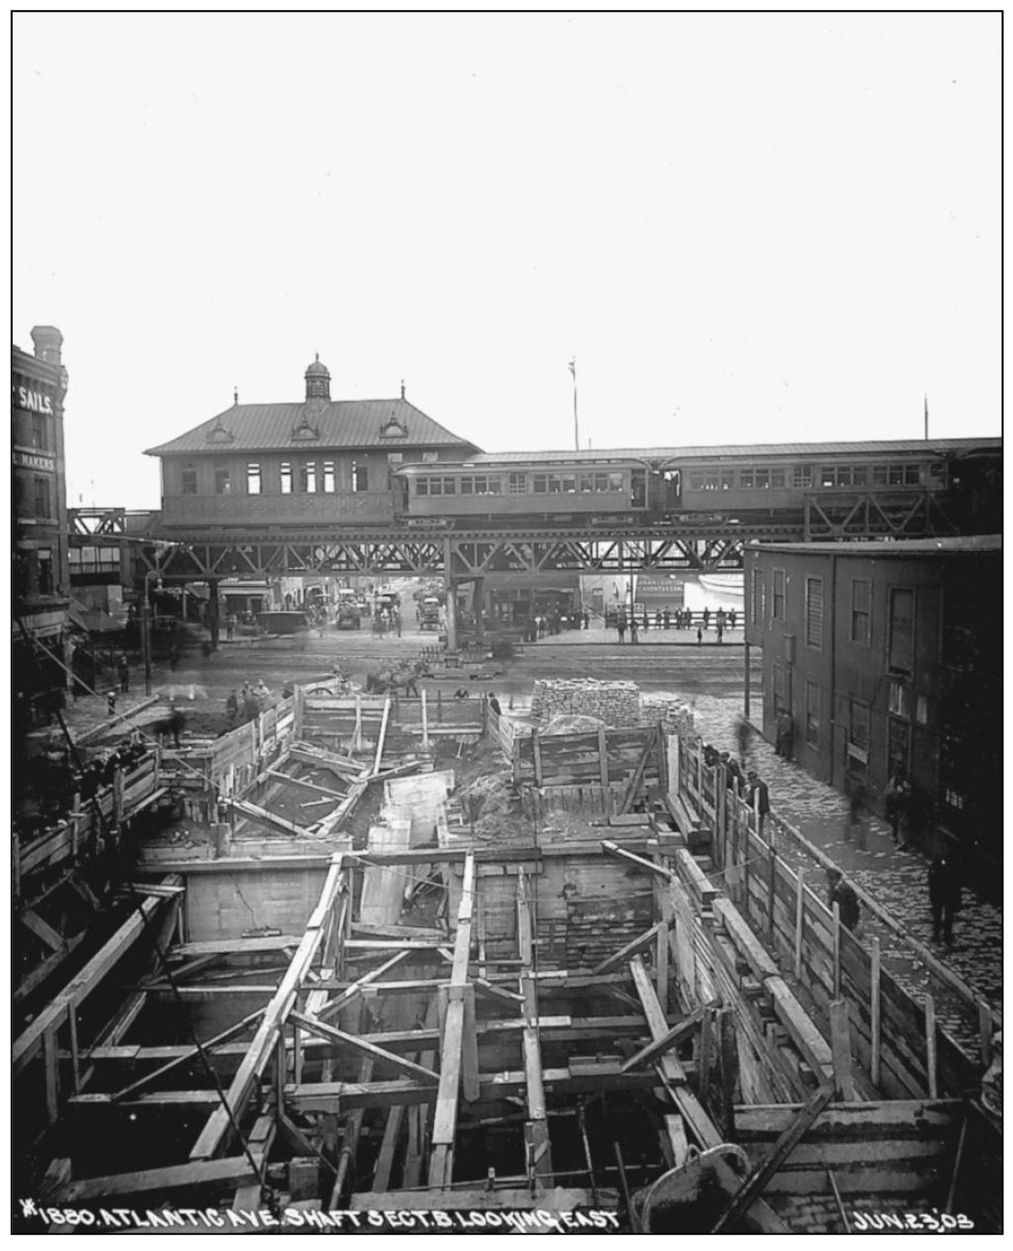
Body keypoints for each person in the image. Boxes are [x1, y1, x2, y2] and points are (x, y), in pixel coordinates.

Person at [928, 855, 961, 945]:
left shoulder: (950, 863)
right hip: (943, 890)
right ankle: (942, 933)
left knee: (944, 913)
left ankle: (944, 933)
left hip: (946, 890)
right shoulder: (947, 863)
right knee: (941, 913)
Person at [884, 766, 912, 849]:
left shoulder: (900, 783)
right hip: (897, 806)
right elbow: (890, 793)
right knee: (898, 823)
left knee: (901, 824)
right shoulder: (895, 782)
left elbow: (890, 794)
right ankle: (898, 838)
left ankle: (902, 841)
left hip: (900, 806)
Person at [827, 867, 860, 933]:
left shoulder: (844, 890)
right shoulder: (837, 889)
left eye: (829, 879)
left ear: (834, 879)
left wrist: (854, 921)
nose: (828, 882)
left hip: (845, 918)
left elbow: (853, 907)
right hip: (842, 916)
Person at [746, 769, 770, 837]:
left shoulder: (753, 786)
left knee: (756, 823)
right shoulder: (763, 784)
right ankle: (760, 834)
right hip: (764, 807)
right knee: (761, 823)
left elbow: (751, 799)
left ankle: (757, 835)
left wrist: (745, 801)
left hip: (757, 807)